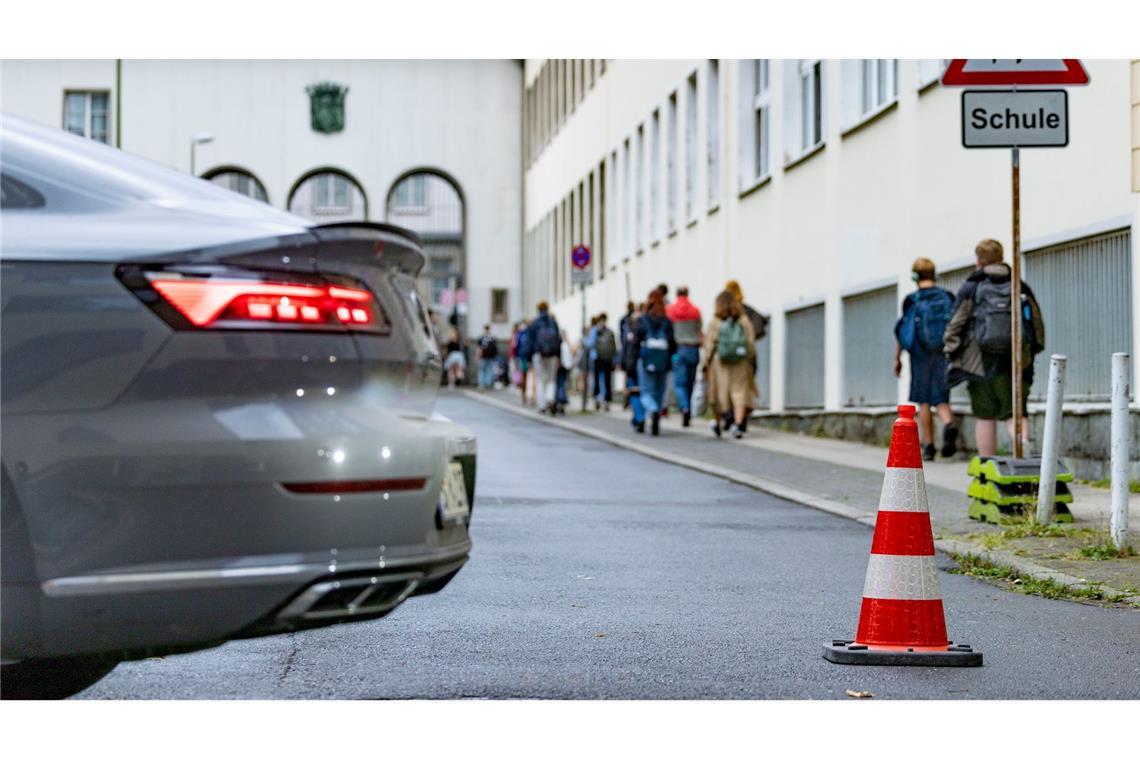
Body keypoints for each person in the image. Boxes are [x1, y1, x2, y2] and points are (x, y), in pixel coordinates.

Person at [943, 238, 1045, 457]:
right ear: (1001, 257)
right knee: (1015, 413)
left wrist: (952, 351)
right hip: (1015, 362)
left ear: (978, 260)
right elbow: (1036, 323)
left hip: (980, 362)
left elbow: (956, 323)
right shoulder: (1018, 284)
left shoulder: (972, 286)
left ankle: (986, 466)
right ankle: (1024, 448)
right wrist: (1030, 354)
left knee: (985, 416)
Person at [894, 258, 957, 461]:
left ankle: (929, 447)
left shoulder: (912, 300)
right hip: (943, 352)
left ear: (915, 276)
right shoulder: (947, 296)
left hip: (920, 354)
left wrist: (897, 359)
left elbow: (904, 331)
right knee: (941, 396)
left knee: (923, 400)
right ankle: (948, 423)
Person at [703, 290, 757, 439]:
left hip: (720, 362)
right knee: (739, 392)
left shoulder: (715, 321)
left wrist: (705, 363)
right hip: (740, 361)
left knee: (719, 393)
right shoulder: (743, 320)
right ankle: (738, 425)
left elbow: (709, 344)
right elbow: (750, 342)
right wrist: (749, 358)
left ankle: (718, 422)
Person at [723, 280, 766, 431]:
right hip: (747, 357)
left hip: (727, 358)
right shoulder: (748, 311)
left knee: (728, 389)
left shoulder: (723, 313)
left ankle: (730, 416)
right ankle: (741, 421)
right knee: (743, 389)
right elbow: (761, 326)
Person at [635, 290, 677, 436]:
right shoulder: (666, 321)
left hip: (646, 360)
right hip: (663, 361)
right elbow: (673, 344)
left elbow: (635, 341)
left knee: (646, 391)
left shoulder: (643, 320)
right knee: (660, 392)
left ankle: (652, 410)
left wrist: (632, 360)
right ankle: (656, 418)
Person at [666, 286, 703, 427]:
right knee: (690, 382)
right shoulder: (695, 311)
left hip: (678, 349)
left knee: (679, 383)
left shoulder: (671, 310)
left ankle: (684, 407)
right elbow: (699, 330)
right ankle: (688, 407)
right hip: (693, 349)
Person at [528, 301, 563, 415]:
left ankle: (542, 405)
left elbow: (530, 341)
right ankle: (550, 398)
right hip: (552, 354)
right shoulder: (553, 322)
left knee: (540, 379)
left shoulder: (535, 323)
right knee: (551, 379)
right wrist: (559, 356)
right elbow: (558, 340)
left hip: (538, 354)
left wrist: (529, 357)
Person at [621, 302, 647, 432]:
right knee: (642, 392)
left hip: (631, 366)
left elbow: (625, 350)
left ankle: (639, 417)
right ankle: (640, 416)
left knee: (634, 392)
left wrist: (623, 365)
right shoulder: (646, 331)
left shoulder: (629, 331)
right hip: (644, 365)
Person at [592, 312, 617, 412]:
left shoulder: (595, 331)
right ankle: (606, 400)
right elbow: (614, 346)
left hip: (597, 358)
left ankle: (597, 398)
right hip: (608, 358)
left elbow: (590, 344)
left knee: (597, 379)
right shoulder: (610, 331)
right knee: (607, 380)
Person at [618, 301, 637, 410]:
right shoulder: (637, 323)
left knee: (629, 381)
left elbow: (623, 342)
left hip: (628, 358)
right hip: (634, 359)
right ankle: (627, 400)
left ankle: (626, 399)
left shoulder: (624, 322)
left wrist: (621, 360)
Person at [511, 319, 533, 406]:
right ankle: (530, 396)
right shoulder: (532, 333)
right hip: (531, 358)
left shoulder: (520, 334)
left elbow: (515, 346)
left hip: (523, 357)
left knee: (524, 376)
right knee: (531, 378)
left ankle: (524, 396)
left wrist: (515, 356)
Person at [476, 324, 499, 391]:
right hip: (485, 356)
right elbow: (479, 348)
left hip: (489, 356)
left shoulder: (490, 338)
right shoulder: (489, 338)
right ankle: (483, 383)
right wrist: (478, 356)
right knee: (483, 370)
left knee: (487, 370)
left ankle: (485, 383)